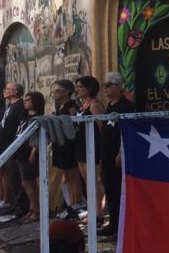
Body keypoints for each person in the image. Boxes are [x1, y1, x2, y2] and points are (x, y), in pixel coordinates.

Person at [99, 72, 134, 237]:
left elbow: (127, 131)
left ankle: (122, 226)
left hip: (117, 154)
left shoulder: (125, 106)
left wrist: (121, 151)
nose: (105, 89)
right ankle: (113, 223)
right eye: (104, 86)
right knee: (110, 189)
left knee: (119, 189)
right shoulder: (110, 105)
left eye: (109, 85)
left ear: (120, 87)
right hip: (106, 153)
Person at [74, 76, 105, 224]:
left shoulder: (95, 105)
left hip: (92, 145)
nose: (78, 90)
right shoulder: (82, 104)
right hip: (81, 145)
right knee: (87, 180)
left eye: (80, 87)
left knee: (95, 180)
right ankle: (91, 209)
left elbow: (101, 127)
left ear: (89, 88)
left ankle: (99, 212)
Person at [51, 80, 84, 218]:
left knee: (73, 174)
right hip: (60, 144)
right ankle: (71, 202)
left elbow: (73, 126)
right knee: (66, 175)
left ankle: (78, 202)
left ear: (67, 92)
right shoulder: (59, 107)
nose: (55, 93)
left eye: (58, 90)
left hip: (69, 144)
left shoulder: (72, 107)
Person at [16, 92, 46, 223]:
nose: (25, 102)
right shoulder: (25, 116)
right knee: (26, 182)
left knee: (30, 182)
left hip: (30, 153)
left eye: (28, 100)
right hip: (21, 152)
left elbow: (38, 137)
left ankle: (36, 211)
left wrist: (33, 153)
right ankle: (32, 209)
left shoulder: (38, 118)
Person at [0, 83, 29, 216]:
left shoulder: (19, 106)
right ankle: (14, 202)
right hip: (7, 146)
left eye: (8, 89)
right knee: (11, 175)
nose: (4, 90)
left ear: (16, 92)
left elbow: (21, 126)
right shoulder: (10, 106)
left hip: (15, 147)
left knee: (16, 176)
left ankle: (21, 206)